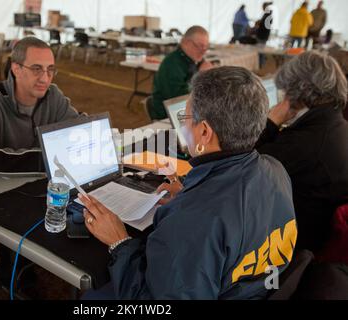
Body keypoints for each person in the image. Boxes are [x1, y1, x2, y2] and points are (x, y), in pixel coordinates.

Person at [80, 66, 297, 299]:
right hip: (254, 288)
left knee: (92, 297)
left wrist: (119, 242)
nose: (183, 126)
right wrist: (192, 190)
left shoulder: (194, 220)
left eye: (185, 118)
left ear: (204, 131)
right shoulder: (275, 170)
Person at [0, 37, 81, 291]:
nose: (45, 78)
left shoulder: (53, 96)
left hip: (34, 184)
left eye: (50, 70)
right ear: (16, 68)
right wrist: (43, 159)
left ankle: (43, 257)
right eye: (36, 68)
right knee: (28, 212)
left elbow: (77, 129)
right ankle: (13, 269)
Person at [256, 51, 348, 253]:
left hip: (293, 245)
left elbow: (246, 168)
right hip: (316, 236)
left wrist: (271, 122)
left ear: (297, 91)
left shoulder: (305, 142)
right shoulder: (335, 124)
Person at [151, 25, 213, 120]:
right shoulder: (172, 64)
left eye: (206, 47)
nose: (203, 51)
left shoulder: (193, 59)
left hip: (187, 111)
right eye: (200, 46)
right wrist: (200, 76)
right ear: (185, 43)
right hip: (168, 116)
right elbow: (178, 99)